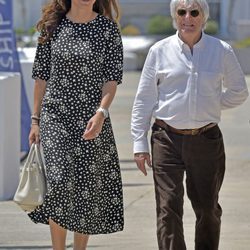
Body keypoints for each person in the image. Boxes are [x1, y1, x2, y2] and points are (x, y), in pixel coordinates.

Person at [131, 0, 249, 249]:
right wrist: (139, 143)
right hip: (166, 138)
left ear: (203, 16)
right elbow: (144, 99)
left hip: (206, 140)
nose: (187, 17)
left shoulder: (221, 50)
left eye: (194, 12)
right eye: (181, 12)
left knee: (208, 209)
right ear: (175, 16)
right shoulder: (159, 51)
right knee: (167, 208)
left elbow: (239, 90)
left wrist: (212, 105)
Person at [28, 0, 124, 249]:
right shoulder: (52, 26)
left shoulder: (107, 29)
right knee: (58, 182)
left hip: (91, 119)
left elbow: (111, 79)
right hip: (55, 117)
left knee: (85, 187)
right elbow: (41, 76)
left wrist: (102, 112)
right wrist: (35, 120)